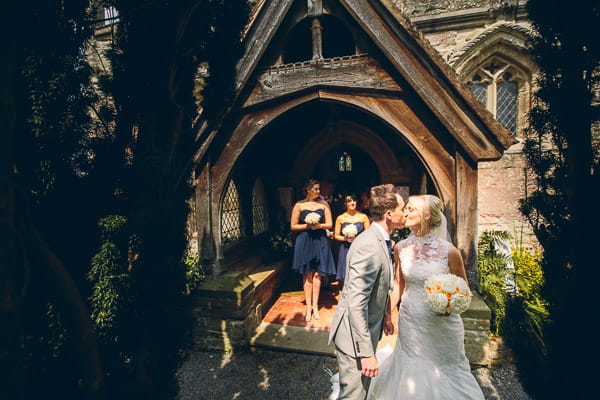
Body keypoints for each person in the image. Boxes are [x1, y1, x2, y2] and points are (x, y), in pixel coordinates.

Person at [367, 194, 485, 400]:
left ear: (427, 215)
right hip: (411, 318)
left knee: (444, 366)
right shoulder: (400, 247)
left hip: (442, 323)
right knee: (411, 364)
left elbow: (463, 288)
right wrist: (388, 314)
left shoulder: (449, 251)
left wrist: (449, 306)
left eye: (411, 209)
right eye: (406, 208)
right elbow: (397, 284)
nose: (405, 212)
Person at [329, 184, 405, 400]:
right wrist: (366, 353)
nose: (405, 212)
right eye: (402, 208)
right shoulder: (369, 245)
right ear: (390, 215)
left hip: (367, 331)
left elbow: (379, 287)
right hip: (354, 341)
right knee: (353, 396)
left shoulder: (380, 239)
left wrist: (387, 316)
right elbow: (356, 303)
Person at [290, 178, 336, 322]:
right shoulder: (299, 205)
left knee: (317, 275)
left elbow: (330, 223)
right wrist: (307, 226)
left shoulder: (323, 204)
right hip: (304, 240)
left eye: (318, 189)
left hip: (320, 240)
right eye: (315, 189)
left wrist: (320, 226)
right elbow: (293, 225)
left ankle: (316, 306)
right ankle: (308, 307)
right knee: (307, 274)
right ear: (308, 190)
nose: (318, 191)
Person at [333, 193, 370, 284]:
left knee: (359, 273)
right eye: (349, 201)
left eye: (354, 200)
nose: (352, 203)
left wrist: (358, 239)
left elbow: (368, 234)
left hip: (359, 248)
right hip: (345, 247)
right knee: (346, 274)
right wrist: (345, 239)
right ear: (345, 204)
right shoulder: (340, 218)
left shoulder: (363, 217)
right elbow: (336, 235)